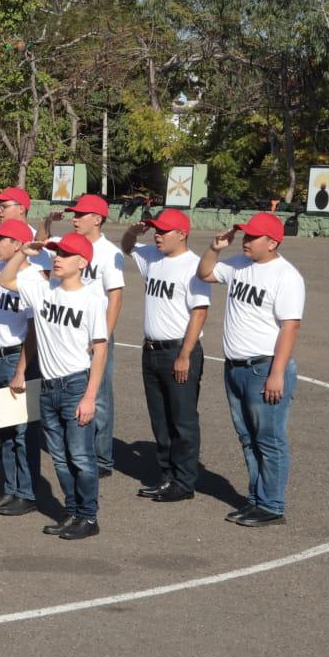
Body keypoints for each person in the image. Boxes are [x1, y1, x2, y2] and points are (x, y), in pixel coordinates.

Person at [196, 212, 305, 527]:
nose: (246, 240)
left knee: (269, 440)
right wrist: (215, 248)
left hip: (263, 368)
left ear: (272, 243)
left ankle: (271, 506)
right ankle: (256, 499)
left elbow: (290, 327)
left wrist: (277, 373)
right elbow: (205, 273)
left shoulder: (286, 276)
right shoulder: (238, 264)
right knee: (248, 438)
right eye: (246, 235)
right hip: (235, 368)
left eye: (253, 237)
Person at [0, 232, 111, 541]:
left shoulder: (92, 299)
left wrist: (90, 396)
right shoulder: (42, 289)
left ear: (82, 262)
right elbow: (5, 280)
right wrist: (23, 252)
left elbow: (100, 350)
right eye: (56, 253)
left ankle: (88, 517)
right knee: (60, 458)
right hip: (48, 387)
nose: (57, 258)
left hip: (76, 385)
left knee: (80, 456)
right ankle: (72, 511)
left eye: (65, 254)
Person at [121, 208, 211, 502]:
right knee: (160, 419)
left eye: (163, 231)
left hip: (178, 350)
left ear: (182, 234)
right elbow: (127, 248)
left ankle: (184, 482)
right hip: (150, 350)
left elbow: (199, 313)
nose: (157, 235)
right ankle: (167, 476)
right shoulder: (153, 257)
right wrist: (133, 232)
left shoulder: (194, 266)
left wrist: (185, 355)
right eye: (155, 230)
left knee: (182, 421)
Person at [46, 194, 124, 476]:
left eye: (80, 215)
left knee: (98, 396)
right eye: (74, 214)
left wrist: (101, 339)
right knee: (71, 391)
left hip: (95, 334)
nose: (74, 219)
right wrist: (46, 224)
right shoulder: (68, 245)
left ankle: (101, 458)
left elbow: (115, 298)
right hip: (68, 330)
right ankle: (78, 449)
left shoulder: (108, 252)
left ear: (97, 219)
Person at [0, 220, 42, 517]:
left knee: (23, 432)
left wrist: (21, 371)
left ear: (19, 245)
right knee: (8, 431)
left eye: (1, 239)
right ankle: (12, 489)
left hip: (18, 359)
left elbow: (33, 331)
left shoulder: (33, 278)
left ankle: (26, 493)